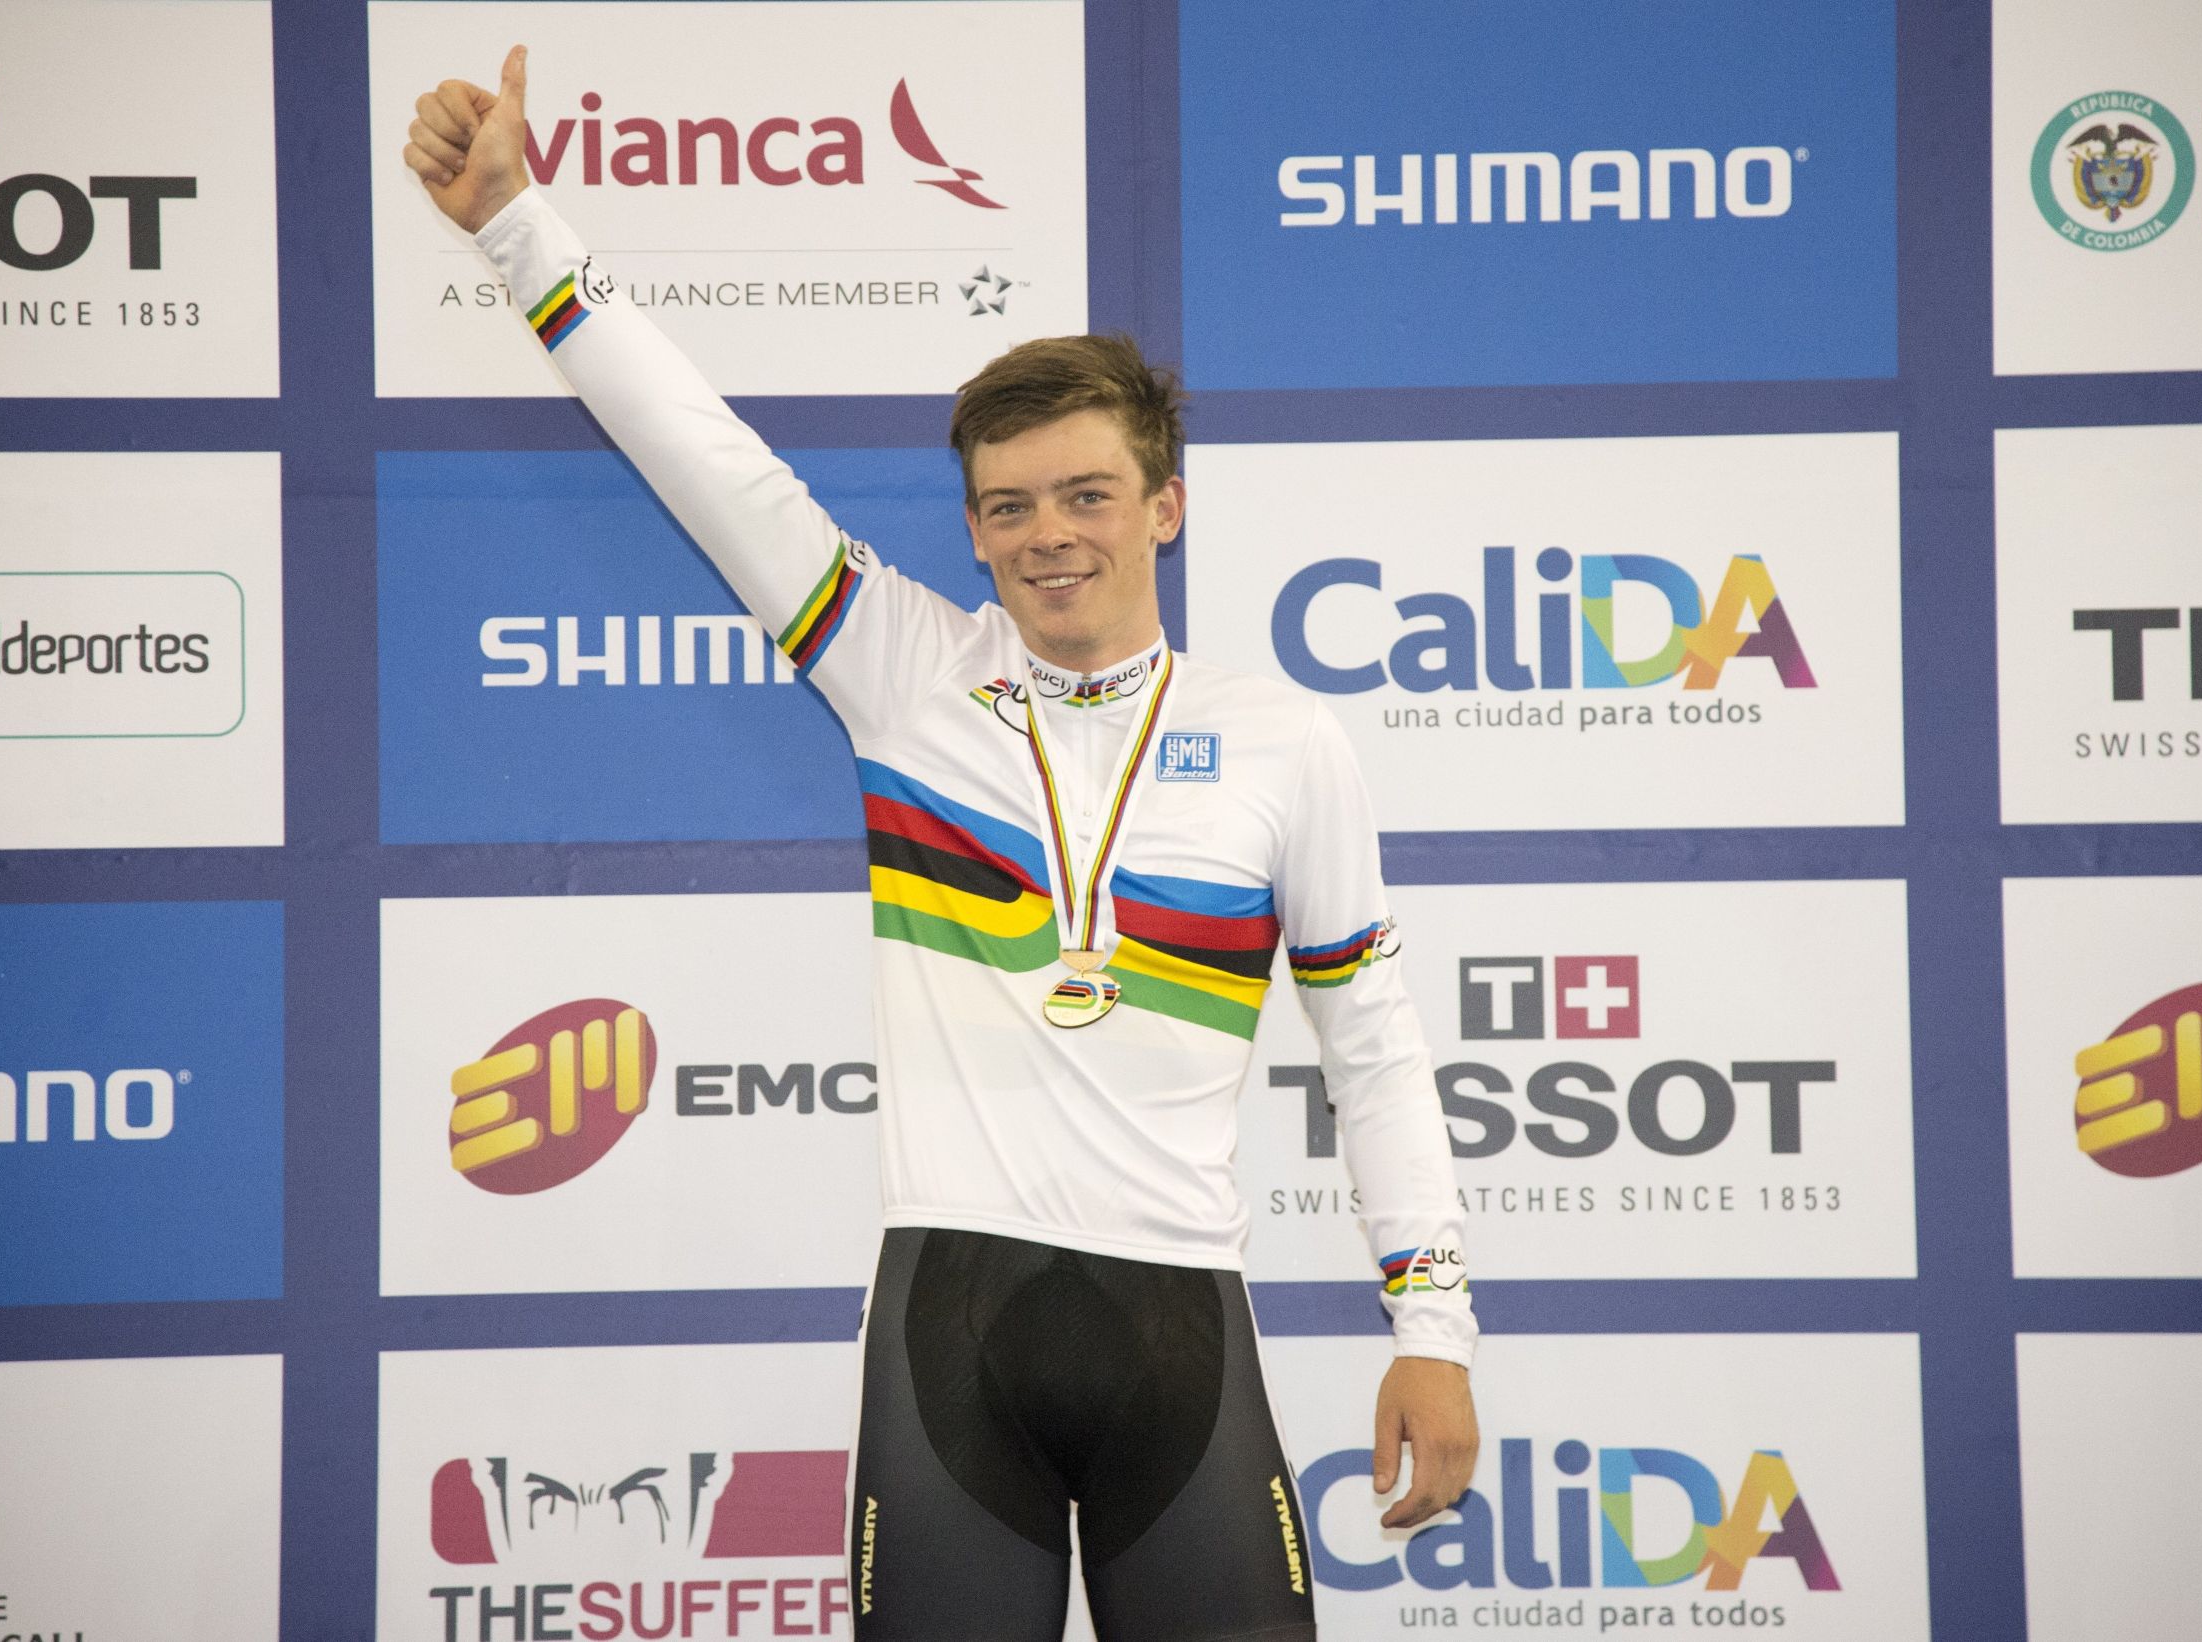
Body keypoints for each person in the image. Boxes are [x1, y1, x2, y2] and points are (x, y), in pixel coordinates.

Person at [404, 46, 1478, 1641]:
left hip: (1182, 1322)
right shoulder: (906, 673)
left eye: (1089, 495)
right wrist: (515, 229)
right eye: (1010, 504)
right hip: (944, 1333)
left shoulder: (1284, 742)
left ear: (1165, 506)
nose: (1052, 533)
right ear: (971, 527)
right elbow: (705, 461)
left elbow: (1372, 1048)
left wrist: (1435, 1328)